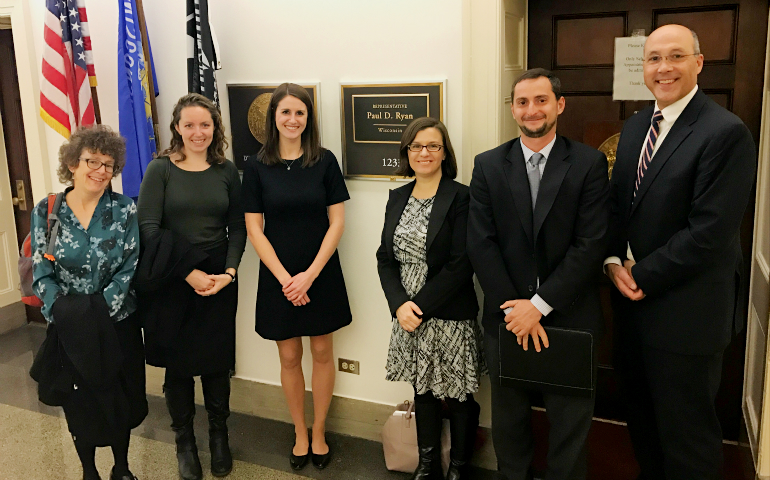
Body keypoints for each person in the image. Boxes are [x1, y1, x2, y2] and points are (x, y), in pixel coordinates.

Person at [605, 25, 756, 479]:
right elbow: (616, 206)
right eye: (654, 58)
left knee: (687, 438)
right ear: (644, 67)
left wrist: (642, 275)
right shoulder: (635, 126)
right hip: (630, 310)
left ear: (699, 62)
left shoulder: (725, 133)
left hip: (685, 316)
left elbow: (709, 232)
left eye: (676, 56)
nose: (663, 68)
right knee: (644, 428)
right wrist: (613, 263)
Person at [467, 68, 610, 479]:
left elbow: (591, 244)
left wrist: (540, 306)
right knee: (509, 425)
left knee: (569, 429)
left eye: (541, 100)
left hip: (569, 316)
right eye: (523, 102)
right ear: (513, 109)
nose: (532, 110)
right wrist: (517, 310)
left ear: (559, 105)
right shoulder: (488, 164)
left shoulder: (588, 164)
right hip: (506, 318)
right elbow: (481, 243)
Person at [242, 83, 352, 471]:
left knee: (323, 353)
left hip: (320, 271)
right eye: (285, 112)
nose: (293, 120)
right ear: (274, 117)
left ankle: (320, 431)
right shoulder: (256, 166)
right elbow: (255, 229)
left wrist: (309, 276)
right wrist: (288, 279)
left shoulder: (324, 161)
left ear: (308, 118)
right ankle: (300, 432)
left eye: (300, 113)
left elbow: (337, 222)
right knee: (289, 356)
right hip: (278, 275)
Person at [137, 93, 246, 480]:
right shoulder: (160, 169)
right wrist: (187, 272)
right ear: (177, 128)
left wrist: (229, 274)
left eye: (205, 125)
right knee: (179, 368)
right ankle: (184, 441)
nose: (197, 132)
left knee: (217, 365)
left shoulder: (226, 171)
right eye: (189, 125)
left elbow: (238, 229)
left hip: (218, 277)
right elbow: (148, 229)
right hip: (173, 276)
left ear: (215, 128)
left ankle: (219, 436)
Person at [30, 125, 146, 480]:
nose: (99, 171)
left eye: (108, 165)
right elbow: (40, 269)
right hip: (69, 328)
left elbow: (130, 266)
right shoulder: (48, 210)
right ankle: (88, 471)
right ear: (72, 163)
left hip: (116, 324)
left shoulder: (124, 210)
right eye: (91, 161)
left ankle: (122, 467)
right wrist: (65, 314)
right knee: (79, 404)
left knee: (119, 399)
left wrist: (97, 314)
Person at [377, 117, 484, 480]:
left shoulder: (461, 196)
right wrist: (399, 305)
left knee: (458, 395)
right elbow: (385, 258)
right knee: (421, 388)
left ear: (444, 152)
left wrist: (417, 307)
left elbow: (460, 264)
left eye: (433, 146)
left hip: (448, 311)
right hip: (406, 311)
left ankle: (458, 466)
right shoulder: (397, 197)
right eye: (417, 146)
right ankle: (426, 464)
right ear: (407, 152)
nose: (424, 153)